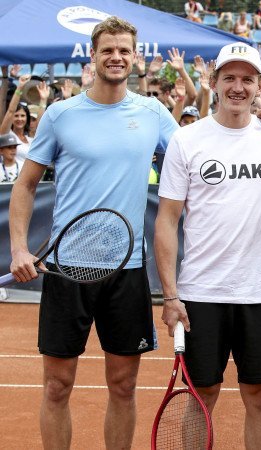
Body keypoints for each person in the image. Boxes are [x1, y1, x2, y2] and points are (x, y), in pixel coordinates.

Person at [7, 17, 178, 449]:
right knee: (57, 385)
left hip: (127, 268)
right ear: (94, 55)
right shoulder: (60, 115)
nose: (116, 57)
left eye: (124, 50)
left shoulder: (153, 113)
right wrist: (19, 248)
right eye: (108, 50)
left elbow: (202, 153)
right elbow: (25, 186)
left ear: (134, 57)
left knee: (123, 385)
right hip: (66, 270)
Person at [156, 42, 261, 449]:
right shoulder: (187, 140)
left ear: (260, 87)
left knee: (259, 398)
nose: (238, 86)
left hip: (260, 292)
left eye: (247, 79)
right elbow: (166, 220)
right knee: (202, 397)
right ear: (214, 82)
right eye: (230, 78)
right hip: (201, 294)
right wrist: (170, 295)